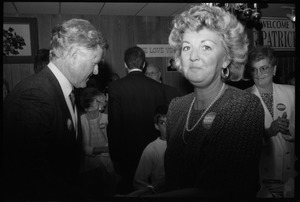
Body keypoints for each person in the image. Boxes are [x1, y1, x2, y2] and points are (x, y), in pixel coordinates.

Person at [155, 4, 265, 198]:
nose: (193, 56)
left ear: (226, 59)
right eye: (187, 47)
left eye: (206, 47)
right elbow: (177, 176)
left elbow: (221, 190)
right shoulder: (177, 106)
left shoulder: (243, 106)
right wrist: (150, 189)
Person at [3, 18, 107, 199]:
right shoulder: (35, 95)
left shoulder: (62, 90)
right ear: (74, 55)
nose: (96, 71)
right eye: (94, 62)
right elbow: (31, 177)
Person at [107, 46, 168, 194]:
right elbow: (161, 118)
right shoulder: (157, 88)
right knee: (155, 189)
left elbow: (114, 124)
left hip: (126, 151)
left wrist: (115, 156)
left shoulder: (116, 87)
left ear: (125, 64)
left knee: (129, 189)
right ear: (144, 64)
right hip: (154, 149)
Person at [245, 45, 296, 198]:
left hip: (290, 174)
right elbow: (241, 142)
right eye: (254, 69)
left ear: (274, 69)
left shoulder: (291, 92)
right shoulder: (243, 98)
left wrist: (288, 130)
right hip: (260, 176)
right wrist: (268, 133)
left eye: (264, 68)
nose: (259, 74)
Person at [79, 87, 116, 196]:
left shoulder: (107, 118)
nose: (103, 103)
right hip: (88, 166)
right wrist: (104, 149)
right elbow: (81, 147)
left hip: (107, 163)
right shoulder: (80, 120)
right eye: (99, 101)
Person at [129, 105, 168, 196]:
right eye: (162, 123)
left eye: (171, 121)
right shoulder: (152, 149)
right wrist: (152, 193)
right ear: (156, 126)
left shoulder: (184, 143)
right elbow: (138, 181)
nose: (167, 126)